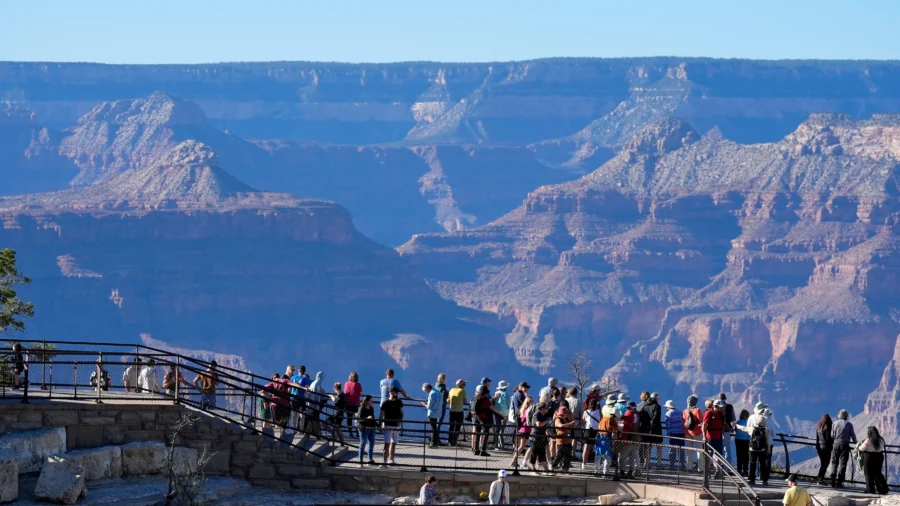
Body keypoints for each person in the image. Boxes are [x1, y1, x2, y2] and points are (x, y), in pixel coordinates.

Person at [736, 402, 771, 485]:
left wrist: (736, 425)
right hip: (762, 448)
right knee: (763, 463)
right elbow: (768, 438)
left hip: (752, 447)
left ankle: (752, 479)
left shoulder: (751, 421)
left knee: (752, 462)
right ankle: (764, 480)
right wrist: (768, 449)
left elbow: (745, 428)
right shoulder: (765, 424)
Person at [472, 384, 502, 456]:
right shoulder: (484, 400)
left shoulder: (475, 398)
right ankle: (483, 450)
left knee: (477, 433)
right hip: (483, 418)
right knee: (486, 433)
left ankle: (476, 450)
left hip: (475, 417)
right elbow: (493, 408)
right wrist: (501, 415)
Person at [829, 409, 856, 488]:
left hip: (836, 444)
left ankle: (832, 480)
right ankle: (839, 482)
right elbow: (853, 436)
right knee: (843, 464)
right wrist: (856, 444)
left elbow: (832, 435)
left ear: (839, 415)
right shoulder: (849, 424)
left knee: (834, 462)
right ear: (846, 416)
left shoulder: (835, 423)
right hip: (845, 445)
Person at [859, 426, 889, 495]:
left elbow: (861, 449)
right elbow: (882, 447)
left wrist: (862, 443)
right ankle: (883, 489)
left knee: (868, 473)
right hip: (879, 456)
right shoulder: (881, 439)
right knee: (878, 473)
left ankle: (870, 489)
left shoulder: (868, 440)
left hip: (869, 457)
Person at [380, 387, 404, 467]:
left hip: (396, 425)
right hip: (388, 425)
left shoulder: (399, 402)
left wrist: (400, 421)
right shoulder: (385, 402)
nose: (396, 394)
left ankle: (391, 460)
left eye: (397, 392)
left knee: (394, 443)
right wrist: (382, 423)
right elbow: (382, 414)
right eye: (394, 392)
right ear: (390, 393)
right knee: (387, 443)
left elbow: (401, 412)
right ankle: (384, 462)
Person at [638, 390, 662, 467]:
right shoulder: (657, 406)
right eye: (658, 398)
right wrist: (653, 424)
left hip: (647, 429)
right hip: (656, 429)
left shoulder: (645, 406)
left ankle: (646, 463)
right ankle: (659, 464)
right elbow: (656, 417)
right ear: (655, 399)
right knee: (659, 446)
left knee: (648, 447)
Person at [551, 403, 577, 472]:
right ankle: (553, 466)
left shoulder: (567, 418)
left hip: (568, 440)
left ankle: (565, 468)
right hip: (561, 440)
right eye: (566, 412)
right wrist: (569, 424)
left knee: (568, 455)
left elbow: (571, 426)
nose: (567, 414)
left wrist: (573, 424)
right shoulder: (558, 419)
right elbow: (560, 426)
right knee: (560, 454)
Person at [703, 400, 726, 474]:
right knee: (709, 453)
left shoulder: (720, 414)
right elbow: (704, 425)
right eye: (720, 407)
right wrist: (704, 436)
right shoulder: (709, 413)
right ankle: (708, 469)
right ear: (715, 406)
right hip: (710, 437)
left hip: (718, 437)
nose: (721, 409)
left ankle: (717, 469)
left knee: (718, 454)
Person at [510, 395, 533, 469]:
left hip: (522, 429)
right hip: (526, 429)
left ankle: (514, 461)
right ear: (529, 402)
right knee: (525, 446)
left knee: (521, 446)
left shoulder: (522, 409)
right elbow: (528, 420)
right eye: (532, 401)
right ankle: (516, 461)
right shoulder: (528, 410)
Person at [528, 402, 551, 473]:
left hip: (542, 437)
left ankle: (546, 469)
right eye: (546, 408)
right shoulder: (536, 414)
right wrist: (546, 421)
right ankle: (532, 469)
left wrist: (548, 435)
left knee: (542, 453)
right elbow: (538, 424)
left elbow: (546, 426)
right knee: (534, 453)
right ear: (543, 409)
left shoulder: (544, 416)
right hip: (535, 437)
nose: (547, 409)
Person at [683, 394, 704, 471]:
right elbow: (701, 421)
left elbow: (684, 422)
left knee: (688, 451)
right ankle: (700, 468)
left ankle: (688, 467)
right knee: (699, 451)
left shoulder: (685, 411)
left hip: (688, 433)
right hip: (697, 433)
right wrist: (700, 429)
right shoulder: (697, 410)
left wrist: (686, 432)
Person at [357, 395, 378, 467]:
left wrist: (378, 426)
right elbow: (359, 420)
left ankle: (370, 460)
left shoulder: (371, 408)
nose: (372, 402)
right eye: (371, 401)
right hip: (364, 429)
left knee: (371, 444)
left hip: (371, 428)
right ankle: (360, 461)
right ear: (367, 401)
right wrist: (367, 418)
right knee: (362, 444)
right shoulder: (362, 408)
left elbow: (373, 418)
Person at [595, 410, 618, 476]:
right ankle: (605, 472)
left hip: (599, 437)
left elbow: (599, 427)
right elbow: (614, 434)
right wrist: (613, 444)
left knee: (598, 455)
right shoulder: (614, 422)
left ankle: (596, 471)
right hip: (607, 438)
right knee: (607, 456)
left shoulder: (604, 418)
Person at [664, 400, 686, 468]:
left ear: (668, 407)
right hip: (681, 433)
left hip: (672, 433)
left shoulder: (668, 413)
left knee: (672, 449)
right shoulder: (680, 412)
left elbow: (668, 425)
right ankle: (682, 464)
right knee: (681, 449)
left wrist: (668, 433)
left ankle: (672, 465)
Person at [289, 365, 311, 430]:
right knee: (302, 414)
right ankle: (301, 429)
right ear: (304, 371)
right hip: (301, 397)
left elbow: (289, 388)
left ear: (298, 370)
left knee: (294, 414)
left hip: (293, 397)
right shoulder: (305, 379)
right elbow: (306, 389)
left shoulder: (293, 377)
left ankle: (294, 428)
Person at [814, 414, 833, 484]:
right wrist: (831, 446)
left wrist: (817, 446)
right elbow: (828, 439)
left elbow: (817, 439)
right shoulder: (828, 427)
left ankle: (819, 478)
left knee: (823, 463)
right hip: (826, 448)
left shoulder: (818, 426)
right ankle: (820, 479)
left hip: (819, 448)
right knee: (825, 464)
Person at [422, 383, 443, 448]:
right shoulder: (439, 392)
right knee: (435, 427)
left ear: (427, 389)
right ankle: (436, 441)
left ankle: (433, 443)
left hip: (432, 413)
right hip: (438, 412)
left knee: (432, 428)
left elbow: (429, 406)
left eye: (425, 390)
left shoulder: (431, 394)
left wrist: (424, 404)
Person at [582, 397, 600, 471]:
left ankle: (584, 464)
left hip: (588, 430)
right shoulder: (599, 412)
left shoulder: (586, 412)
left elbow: (583, 421)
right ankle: (597, 466)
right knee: (596, 448)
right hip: (596, 430)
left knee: (586, 448)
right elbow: (601, 421)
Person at [447, 379, 468, 445]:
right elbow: (464, 402)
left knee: (451, 426)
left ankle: (449, 441)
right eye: (464, 384)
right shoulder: (463, 391)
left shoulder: (451, 390)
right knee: (458, 427)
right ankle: (454, 441)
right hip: (459, 411)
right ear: (462, 385)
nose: (465, 385)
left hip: (452, 410)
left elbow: (448, 400)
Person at [492, 380, 511, 451]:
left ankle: (496, 444)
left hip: (496, 413)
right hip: (504, 414)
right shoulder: (506, 394)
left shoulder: (496, 393)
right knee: (502, 430)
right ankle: (502, 445)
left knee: (497, 429)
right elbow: (508, 405)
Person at [343, 371, 363, 438]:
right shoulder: (358, 385)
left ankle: (350, 433)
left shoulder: (346, 384)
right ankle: (357, 433)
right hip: (356, 404)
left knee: (349, 419)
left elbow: (345, 392)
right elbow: (360, 394)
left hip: (348, 404)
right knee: (357, 419)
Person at [719, 393, 736, 465]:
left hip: (717, 430)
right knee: (727, 449)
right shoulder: (729, 407)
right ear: (725, 399)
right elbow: (733, 419)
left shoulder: (716, 407)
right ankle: (727, 467)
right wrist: (732, 428)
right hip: (726, 430)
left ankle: (718, 466)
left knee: (718, 448)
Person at [735, 409, 751, 477]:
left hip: (738, 439)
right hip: (746, 440)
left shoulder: (738, 422)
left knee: (739, 455)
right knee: (746, 456)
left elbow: (736, 430)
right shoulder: (748, 422)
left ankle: (739, 470)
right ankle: (745, 470)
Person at [435, 373, 449, 440]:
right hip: (442, 405)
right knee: (439, 422)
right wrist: (447, 392)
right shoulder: (443, 386)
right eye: (445, 378)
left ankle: (433, 437)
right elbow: (444, 396)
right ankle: (437, 438)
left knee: (435, 422)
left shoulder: (436, 385)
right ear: (443, 379)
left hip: (435, 405)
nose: (446, 380)